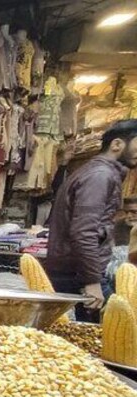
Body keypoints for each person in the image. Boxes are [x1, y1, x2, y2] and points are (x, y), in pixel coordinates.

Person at [47, 120, 137, 322]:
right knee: (104, 335)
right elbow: (84, 231)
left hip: (76, 270)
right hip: (79, 274)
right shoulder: (100, 176)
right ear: (117, 145)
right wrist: (91, 281)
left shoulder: (98, 172)